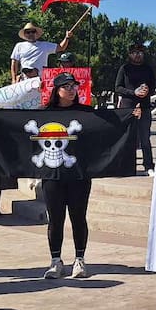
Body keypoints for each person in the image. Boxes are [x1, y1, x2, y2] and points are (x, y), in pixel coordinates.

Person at [42, 72, 93, 279]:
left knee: (78, 217)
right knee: (55, 218)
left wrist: (132, 115)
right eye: (67, 86)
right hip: (52, 175)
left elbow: (110, 126)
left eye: (74, 86)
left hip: (79, 175)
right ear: (57, 90)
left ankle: (79, 259)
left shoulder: (86, 112)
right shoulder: (44, 113)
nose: (71, 90)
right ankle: (56, 260)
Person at [114, 45, 156, 174]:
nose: (137, 55)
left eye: (140, 52)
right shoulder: (124, 68)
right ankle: (125, 165)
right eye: (134, 53)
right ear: (130, 55)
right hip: (127, 108)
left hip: (144, 107)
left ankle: (148, 165)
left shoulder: (148, 69)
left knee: (145, 137)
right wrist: (133, 92)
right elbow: (118, 87)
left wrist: (147, 90)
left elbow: (153, 86)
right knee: (126, 137)